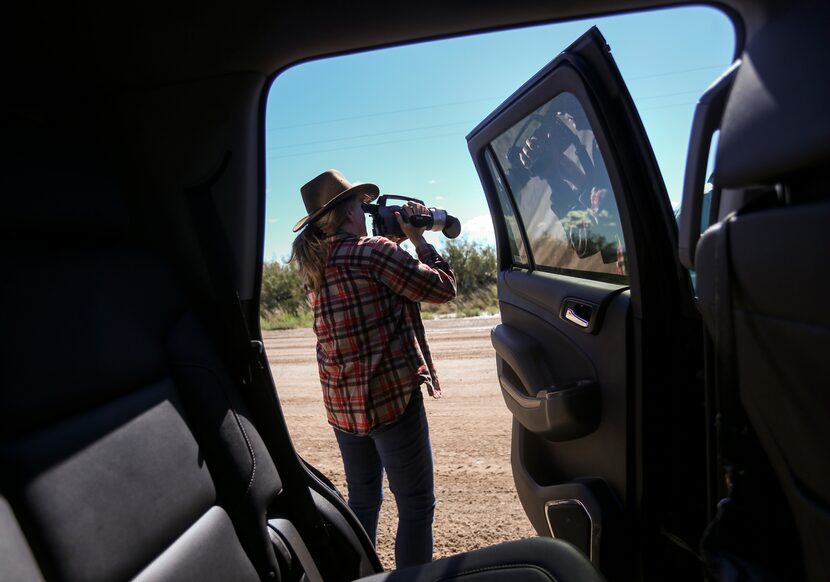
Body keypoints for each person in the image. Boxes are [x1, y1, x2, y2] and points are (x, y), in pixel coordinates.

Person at [290, 169, 457, 568]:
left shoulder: (315, 264)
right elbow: (442, 289)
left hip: (343, 406)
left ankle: (356, 574)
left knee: (363, 500)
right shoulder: (375, 251)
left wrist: (392, 242)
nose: (367, 214)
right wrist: (419, 241)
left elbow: (366, 269)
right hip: (390, 398)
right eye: (361, 208)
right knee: (416, 505)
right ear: (349, 214)